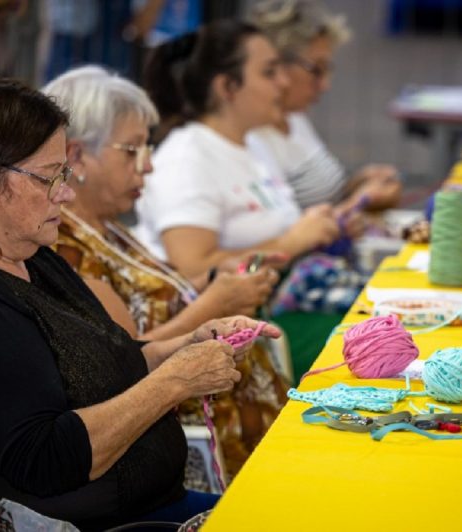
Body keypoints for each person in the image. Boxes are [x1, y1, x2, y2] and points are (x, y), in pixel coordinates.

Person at [0, 77, 279, 529]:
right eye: (51, 177)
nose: (66, 193)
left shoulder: (33, 259)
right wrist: (174, 382)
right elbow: (46, 458)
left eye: (64, 175)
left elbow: (113, 362)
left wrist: (187, 345)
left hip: (146, 505)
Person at [42, 65, 288, 483]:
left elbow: (146, 301)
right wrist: (214, 305)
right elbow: (120, 364)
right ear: (77, 157)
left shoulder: (106, 225)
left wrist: (211, 280)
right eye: (132, 150)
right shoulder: (64, 246)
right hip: (199, 452)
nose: (148, 167)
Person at [132, 19, 341, 279]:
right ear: (227, 87)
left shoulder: (252, 142)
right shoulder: (186, 160)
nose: (284, 82)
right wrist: (292, 242)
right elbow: (190, 270)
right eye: (269, 72)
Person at [246, 0, 402, 212]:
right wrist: (357, 203)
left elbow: (319, 201)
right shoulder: (251, 137)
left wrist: (359, 185)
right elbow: (283, 232)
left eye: (327, 70)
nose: (325, 85)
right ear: (277, 65)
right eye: (316, 69)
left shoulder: (295, 117)